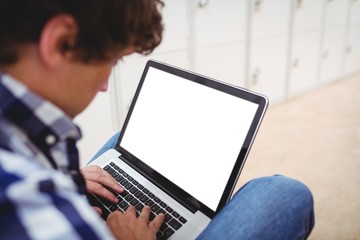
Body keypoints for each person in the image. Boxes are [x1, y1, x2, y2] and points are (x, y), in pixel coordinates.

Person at [0, 0, 314, 239]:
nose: (105, 84)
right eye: (113, 59)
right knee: (285, 193)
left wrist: (63, 182)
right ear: (61, 42)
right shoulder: (21, 196)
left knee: (124, 144)